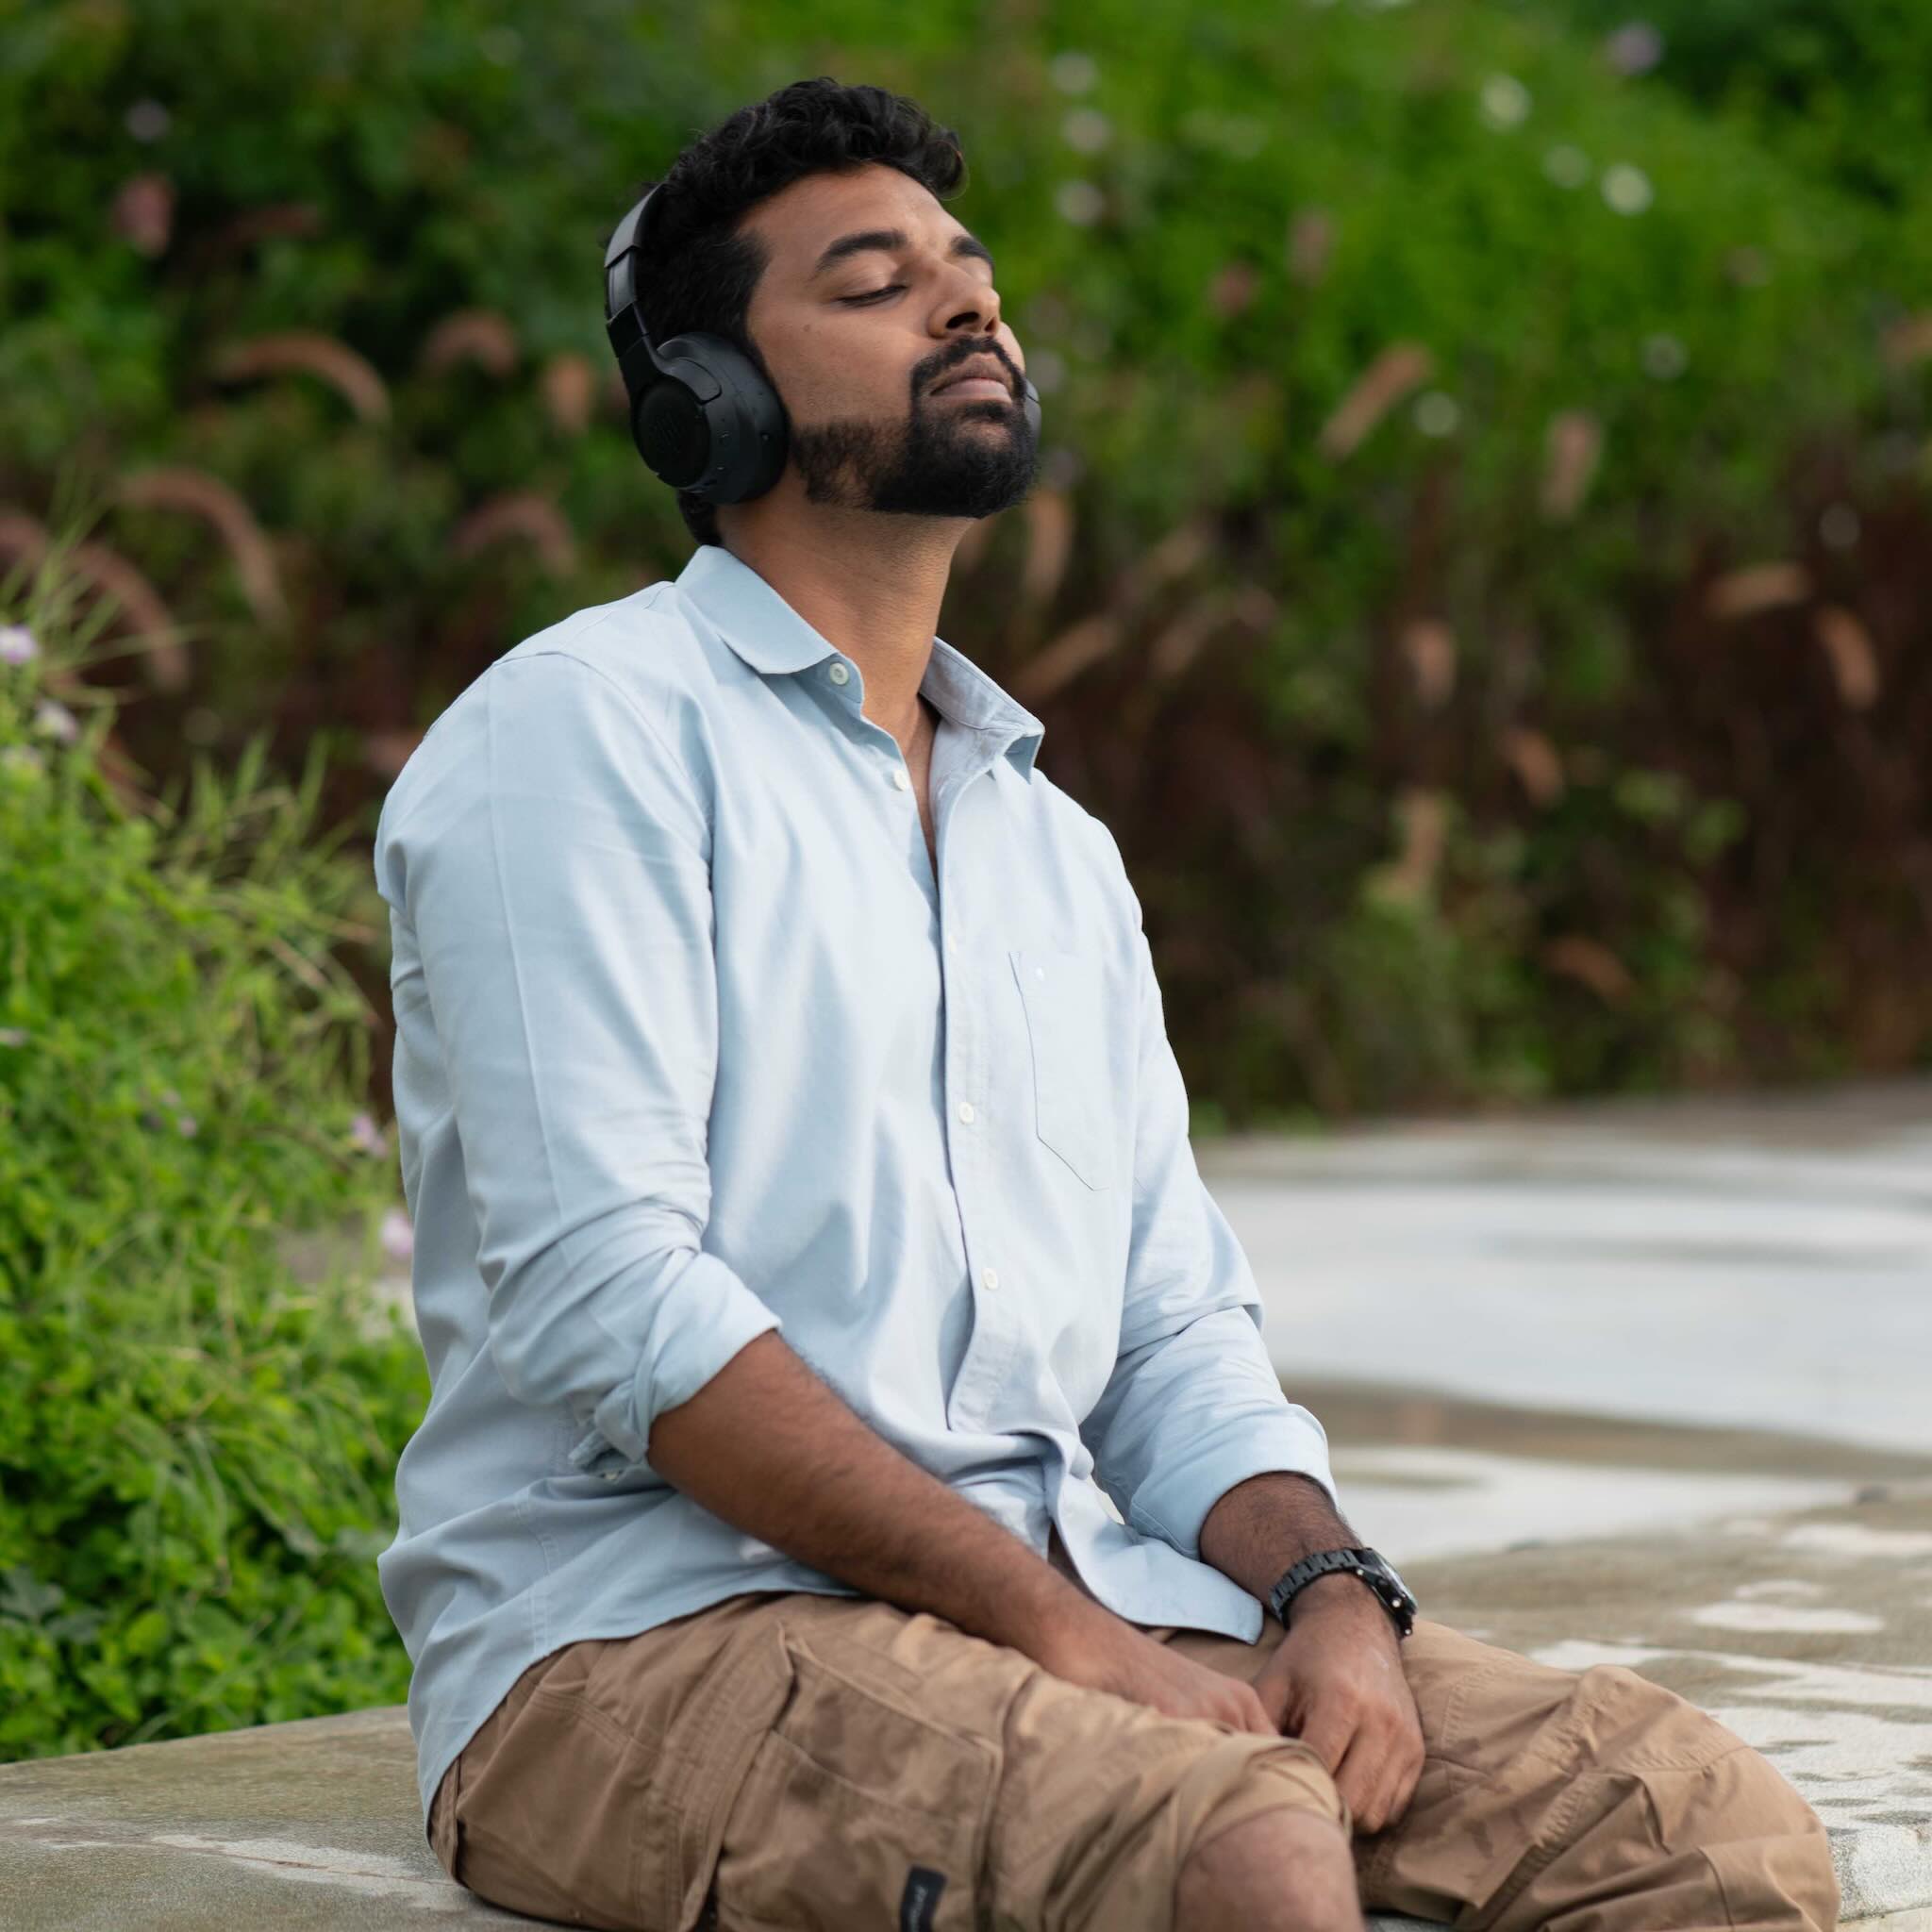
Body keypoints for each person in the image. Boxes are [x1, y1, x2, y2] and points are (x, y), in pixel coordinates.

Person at [373, 76, 1839, 1932]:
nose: (968, 303)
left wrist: (1331, 1604)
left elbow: (1168, 1335)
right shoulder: (578, 737)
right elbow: (613, 1300)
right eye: (874, 278)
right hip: (637, 1641)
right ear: (708, 398)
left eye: (970, 269)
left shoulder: (1051, 847)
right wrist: (1064, 1634)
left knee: (1703, 1826)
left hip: (1088, 1600)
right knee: (1228, 1841)